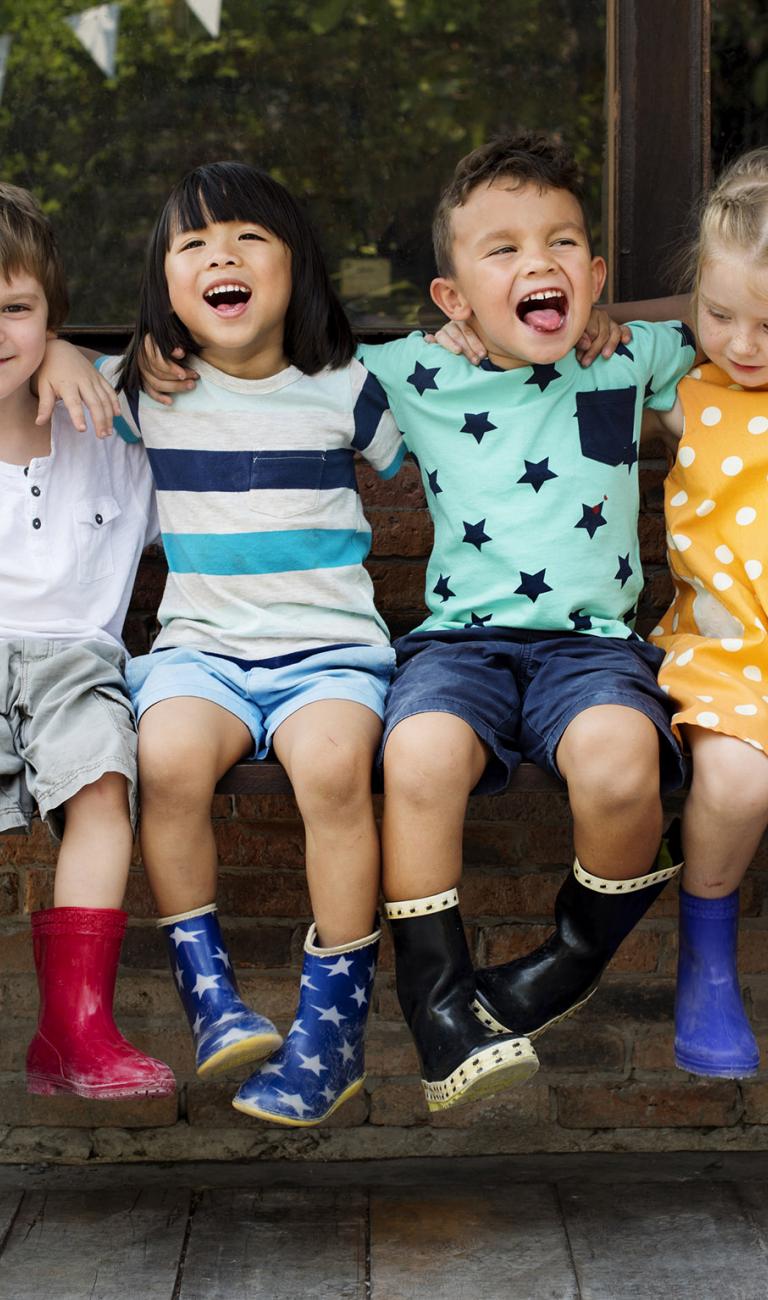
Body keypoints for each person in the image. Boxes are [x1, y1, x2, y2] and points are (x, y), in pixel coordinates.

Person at [55, 161, 530, 1126]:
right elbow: (28, 374)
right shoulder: (147, 393)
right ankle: (211, 998)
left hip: (332, 654)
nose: (221, 255)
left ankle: (330, 1032)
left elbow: (446, 422)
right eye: (193, 245)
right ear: (165, 289)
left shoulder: (346, 387)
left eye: (248, 238)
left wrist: (483, 333)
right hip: (202, 651)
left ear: (296, 268)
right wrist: (67, 350)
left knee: (330, 772)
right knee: (169, 757)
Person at [350, 132, 696, 1104]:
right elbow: (286, 358)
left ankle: (569, 960)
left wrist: (624, 314)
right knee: (416, 756)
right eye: (500, 249)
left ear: (590, 275)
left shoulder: (628, 357)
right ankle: (438, 1003)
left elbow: (734, 320)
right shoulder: (414, 370)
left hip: (592, 651)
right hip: (462, 645)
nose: (535, 263)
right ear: (453, 297)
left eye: (559, 246)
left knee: (625, 768)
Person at [0, 182, 175, 1099]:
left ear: (51, 314)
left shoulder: (113, 414)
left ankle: (77, 1031)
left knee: (103, 783)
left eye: (16, 310)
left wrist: (77, 357)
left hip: (75, 657)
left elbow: (215, 358)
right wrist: (55, 345)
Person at [645, 147, 768, 1079]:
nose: (741, 343)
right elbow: (581, 331)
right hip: (726, 651)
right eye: (718, 314)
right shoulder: (684, 393)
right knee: (736, 785)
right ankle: (709, 958)